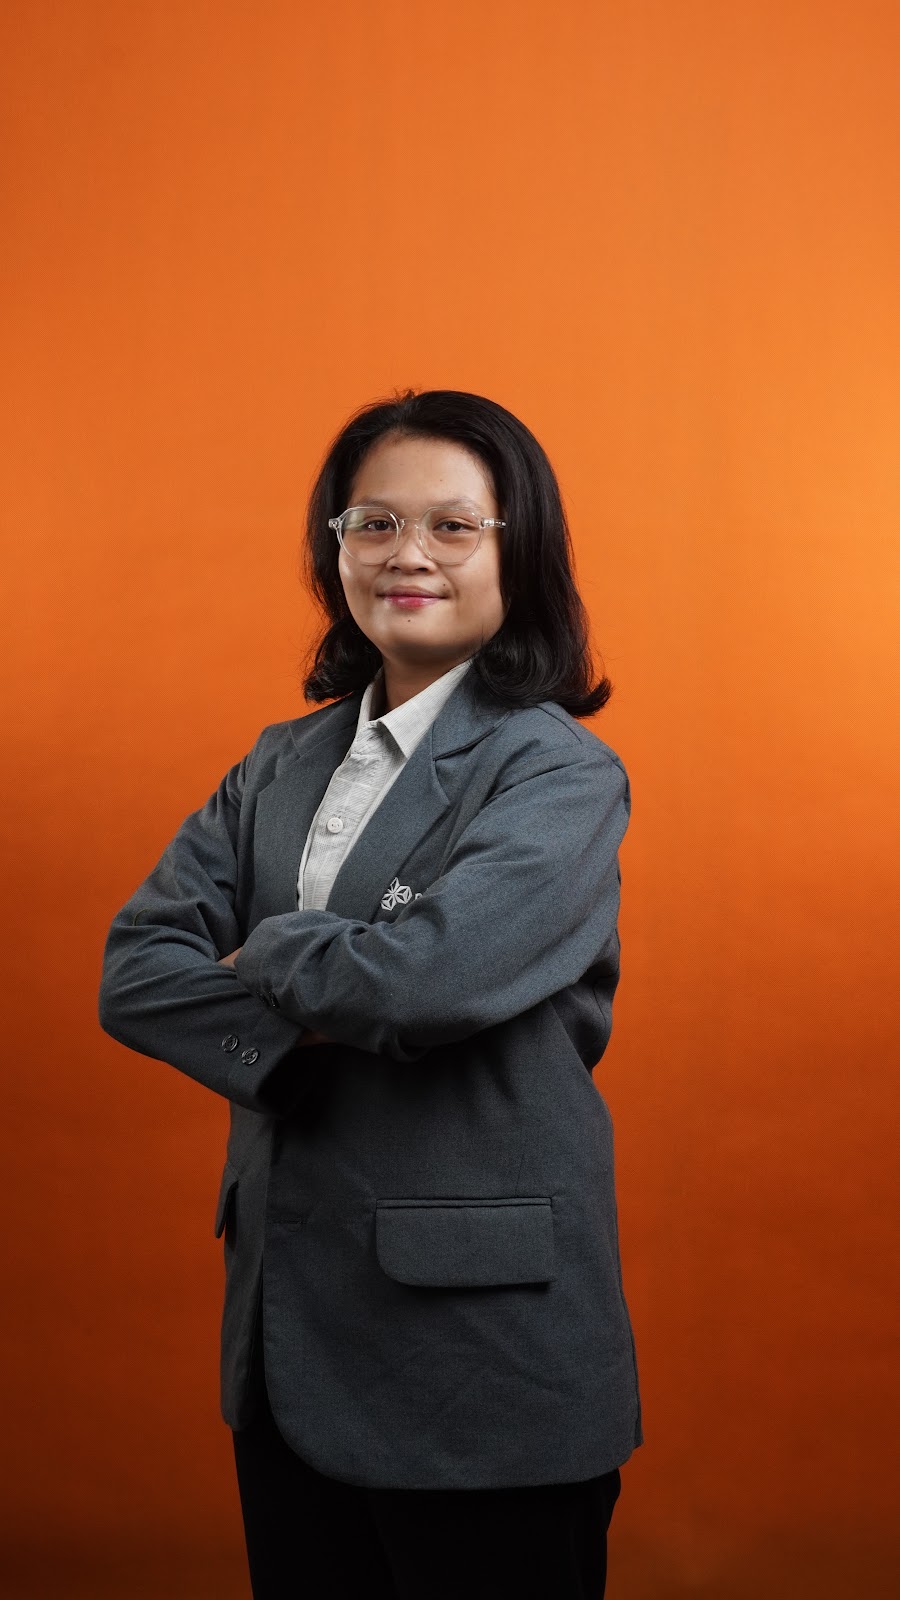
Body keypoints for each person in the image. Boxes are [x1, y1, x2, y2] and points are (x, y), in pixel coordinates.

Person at [98, 388, 642, 1598]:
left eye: (454, 526)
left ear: (522, 554)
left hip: (482, 1357)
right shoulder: (278, 762)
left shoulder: (557, 773)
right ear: (332, 547)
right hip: (288, 1340)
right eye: (374, 522)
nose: (408, 554)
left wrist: (267, 946)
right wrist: (291, 1046)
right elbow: (135, 969)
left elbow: (425, 981)